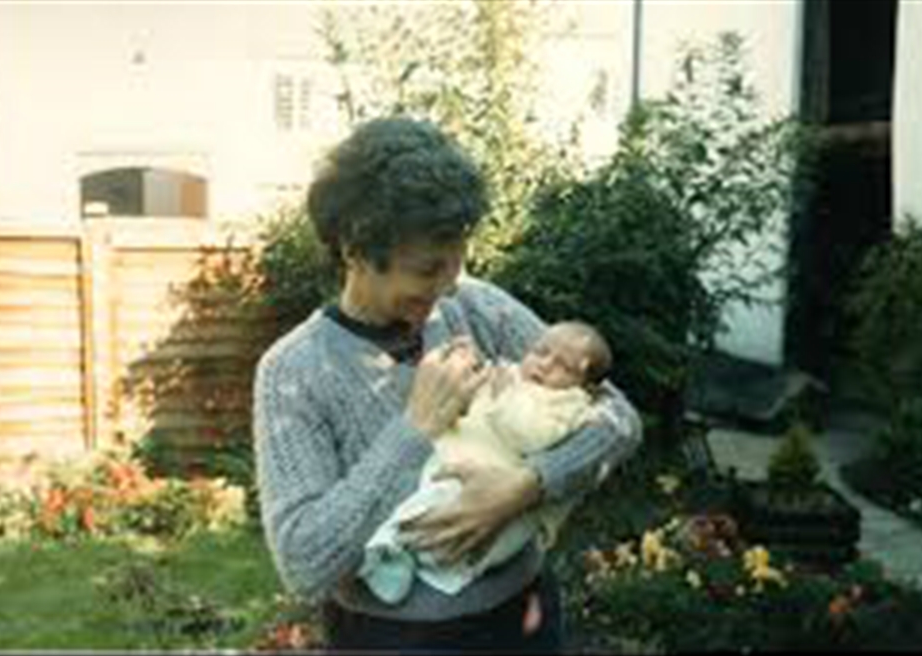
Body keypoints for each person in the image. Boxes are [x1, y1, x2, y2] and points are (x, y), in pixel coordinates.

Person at [253, 117, 643, 653]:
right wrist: (415, 428)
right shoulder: (293, 371)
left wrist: (527, 486)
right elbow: (305, 562)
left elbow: (619, 418)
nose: (450, 285)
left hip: (525, 617)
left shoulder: (474, 307)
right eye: (428, 268)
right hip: (397, 640)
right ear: (354, 251)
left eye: (457, 262)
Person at [359, 321, 615, 605]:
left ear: (586, 384)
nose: (544, 365)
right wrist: (470, 369)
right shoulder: (511, 373)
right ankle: (393, 549)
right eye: (541, 352)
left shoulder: (569, 404)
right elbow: (468, 397)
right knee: (419, 502)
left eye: (563, 366)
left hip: (495, 482)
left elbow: (532, 436)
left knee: (466, 530)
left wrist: (503, 394)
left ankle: (409, 559)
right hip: (452, 457)